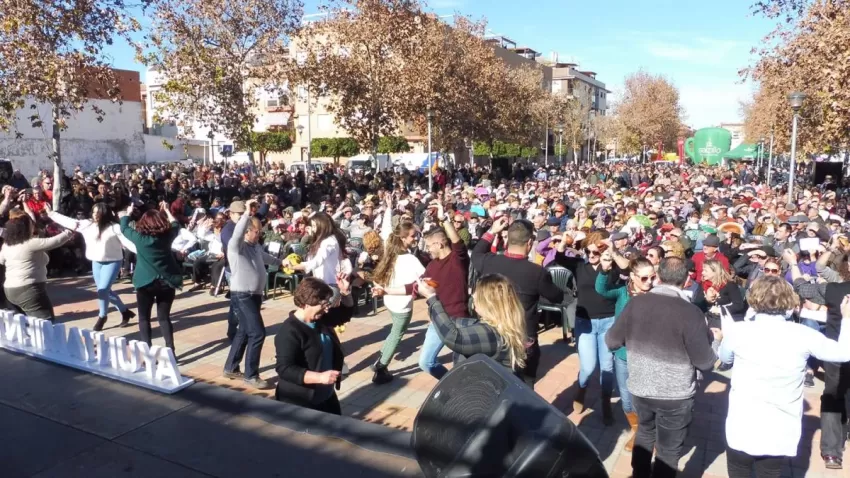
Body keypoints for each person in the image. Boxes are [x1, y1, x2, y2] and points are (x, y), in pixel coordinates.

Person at [718, 276, 850, 478]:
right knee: (770, 472)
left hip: (742, 424)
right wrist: (846, 318)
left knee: (738, 471)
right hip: (780, 430)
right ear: (789, 301)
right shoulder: (804, 334)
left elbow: (724, 358)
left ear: (754, 299)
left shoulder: (739, 330)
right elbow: (844, 353)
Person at [605, 257, 718, 478]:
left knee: (645, 433)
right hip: (675, 396)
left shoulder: (636, 304)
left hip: (641, 388)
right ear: (686, 280)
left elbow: (611, 341)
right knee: (668, 450)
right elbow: (706, 362)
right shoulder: (691, 313)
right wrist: (715, 341)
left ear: (658, 276)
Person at [471, 216, 563, 386]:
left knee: (495, 383)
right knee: (525, 386)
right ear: (529, 243)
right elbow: (557, 296)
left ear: (508, 240)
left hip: (493, 335)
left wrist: (492, 231)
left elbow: (476, 253)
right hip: (523, 338)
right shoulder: (536, 272)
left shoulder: (489, 262)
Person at [553, 231, 618, 424]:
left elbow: (627, 269)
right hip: (585, 321)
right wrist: (563, 241)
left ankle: (605, 402)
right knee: (588, 367)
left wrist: (613, 252)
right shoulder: (580, 266)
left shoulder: (613, 268)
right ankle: (581, 388)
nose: (591, 255)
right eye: (588, 252)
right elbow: (559, 258)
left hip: (608, 321)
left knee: (607, 367)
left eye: (595, 252)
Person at [596, 255, 655, 452]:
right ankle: (637, 430)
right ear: (632, 276)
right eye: (644, 278)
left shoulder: (656, 296)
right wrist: (604, 270)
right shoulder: (623, 292)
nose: (649, 282)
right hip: (623, 355)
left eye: (652, 277)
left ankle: (647, 434)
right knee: (627, 401)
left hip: (647, 357)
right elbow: (602, 290)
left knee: (644, 399)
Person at [223, 199, 284, 389]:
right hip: (242, 295)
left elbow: (266, 257)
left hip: (255, 295)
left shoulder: (255, 246)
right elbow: (237, 233)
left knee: (244, 331)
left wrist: (282, 263)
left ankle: (230, 367)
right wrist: (246, 214)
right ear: (247, 231)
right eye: (257, 231)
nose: (259, 234)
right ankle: (251, 375)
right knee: (258, 333)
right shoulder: (236, 246)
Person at [48, 202, 136, 330]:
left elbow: (129, 244)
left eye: (98, 213)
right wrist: (51, 213)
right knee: (104, 291)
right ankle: (124, 311)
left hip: (112, 262)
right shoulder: (87, 224)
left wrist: (144, 253)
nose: (95, 215)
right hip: (96, 262)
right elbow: (69, 222)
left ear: (105, 214)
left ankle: (102, 316)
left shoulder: (114, 227)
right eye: (94, 212)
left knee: (103, 290)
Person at [274, 275, 354, 414]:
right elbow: (284, 368)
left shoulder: (320, 319)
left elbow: (344, 314)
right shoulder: (289, 331)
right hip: (300, 401)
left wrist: (346, 292)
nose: (327, 309)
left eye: (327, 304)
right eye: (323, 305)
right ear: (306, 303)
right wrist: (319, 377)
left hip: (326, 396)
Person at [417, 273, 528, 374]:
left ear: (488, 303)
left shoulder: (492, 335)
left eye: (476, 295)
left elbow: (453, 338)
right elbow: (458, 322)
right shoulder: (502, 325)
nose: (473, 296)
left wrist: (431, 298)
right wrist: (438, 316)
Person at [119, 202, 183, 352]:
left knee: (144, 318)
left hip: (145, 282)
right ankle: (170, 350)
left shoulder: (139, 238)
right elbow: (176, 224)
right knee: (164, 318)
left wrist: (128, 213)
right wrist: (167, 210)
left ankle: (147, 350)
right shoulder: (168, 236)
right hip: (167, 281)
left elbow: (124, 227)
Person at [418, 206, 471, 379]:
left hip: (460, 321)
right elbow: (425, 285)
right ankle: (451, 383)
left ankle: (463, 387)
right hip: (438, 319)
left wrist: (444, 219)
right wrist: (386, 290)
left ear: (439, 244)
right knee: (425, 362)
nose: (427, 249)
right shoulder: (432, 265)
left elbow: (458, 244)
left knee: (462, 365)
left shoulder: (457, 260)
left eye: (429, 246)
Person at [369, 219, 424, 384]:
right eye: (413, 236)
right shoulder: (410, 260)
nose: (415, 238)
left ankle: (381, 358)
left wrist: (380, 288)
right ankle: (381, 367)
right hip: (402, 304)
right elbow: (426, 280)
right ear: (403, 238)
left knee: (394, 331)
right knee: (397, 334)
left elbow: (376, 276)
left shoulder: (390, 253)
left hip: (389, 301)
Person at [0, 213, 73, 321]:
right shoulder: (31, 243)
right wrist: (70, 231)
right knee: (46, 322)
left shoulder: (7, 245)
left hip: (10, 290)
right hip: (28, 290)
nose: (33, 227)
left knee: (25, 323)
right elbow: (55, 241)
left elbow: (1, 260)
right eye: (31, 225)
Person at [283, 211, 348, 286]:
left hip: (329, 284)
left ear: (322, 226)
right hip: (322, 283)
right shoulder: (325, 240)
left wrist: (293, 266)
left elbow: (316, 262)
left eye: (314, 226)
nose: (313, 229)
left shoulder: (329, 242)